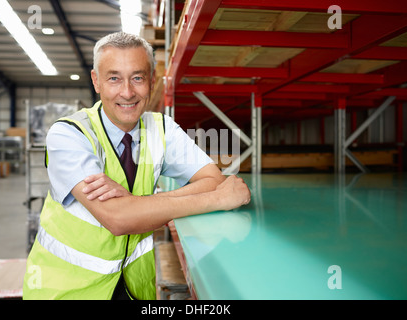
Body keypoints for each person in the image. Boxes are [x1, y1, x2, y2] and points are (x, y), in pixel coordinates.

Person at [23, 32, 250, 300]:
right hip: (67, 291)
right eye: (114, 78)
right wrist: (217, 200)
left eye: (138, 78)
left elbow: (212, 180)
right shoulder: (69, 134)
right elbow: (119, 219)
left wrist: (138, 204)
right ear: (96, 80)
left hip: (133, 289)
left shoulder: (162, 128)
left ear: (152, 82)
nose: (128, 92)